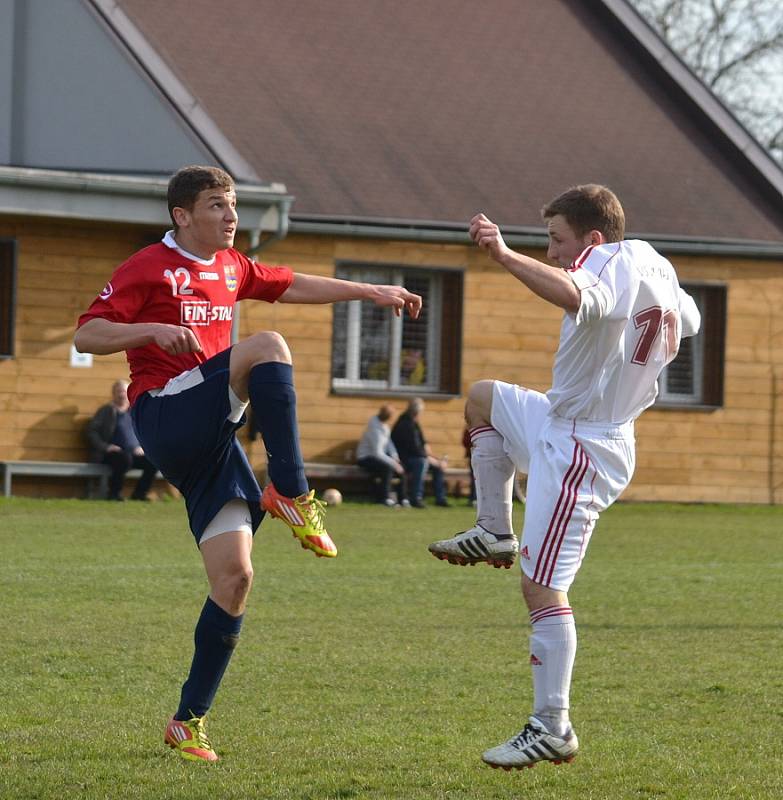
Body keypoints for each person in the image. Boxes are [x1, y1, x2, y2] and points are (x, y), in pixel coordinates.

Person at [73, 164, 421, 763]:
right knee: (268, 346)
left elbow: (295, 284)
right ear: (182, 216)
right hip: (165, 416)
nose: (231, 215)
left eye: (232, 204)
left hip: (213, 440)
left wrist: (371, 291)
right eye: (216, 205)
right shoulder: (148, 265)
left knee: (235, 579)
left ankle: (188, 721)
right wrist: (150, 330)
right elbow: (87, 335)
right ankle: (291, 490)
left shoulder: (233, 267)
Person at [428, 185, 700, 770]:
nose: (550, 252)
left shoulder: (601, 266)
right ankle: (493, 529)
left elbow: (581, 298)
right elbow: (691, 318)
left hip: (584, 444)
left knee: (543, 590)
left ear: (593, 239)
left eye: (555, 240)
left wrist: (503, 254)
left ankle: (552, 727)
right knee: (481, 400)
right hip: (562, 418)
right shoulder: (653, 259)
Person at [85, 379, 158, 501]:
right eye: (119, 391)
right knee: (124, 459)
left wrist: (141, 447)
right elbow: (91, 432)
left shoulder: (135, 411)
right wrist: (106, 447)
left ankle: (139, 494)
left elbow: (145, 432)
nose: (122, 394)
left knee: (153, 461)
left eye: (124, 391)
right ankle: (114, 494)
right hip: (110, 454)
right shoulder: (106, 411)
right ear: (113, 393)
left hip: (134, 453)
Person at [391, 398, 450, 508]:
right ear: (417, 412)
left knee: (437, 466)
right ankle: (416, 497)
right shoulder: (405, 424)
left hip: (416, 456)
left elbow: (423, 443)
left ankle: (440, 498)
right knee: (422, 463)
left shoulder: (414, 423)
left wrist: (436, 459)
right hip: (404, 459)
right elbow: (415, 449)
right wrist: (432, 460)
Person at [356, 404, 409, 507]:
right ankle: (385, 498)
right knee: (387, 469)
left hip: (378, 456)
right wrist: (394, 464)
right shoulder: (374, 429)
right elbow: (378, 453)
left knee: (402, 467)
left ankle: (403, 498)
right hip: (365, 457)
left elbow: (389, 442)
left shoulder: (384, 426)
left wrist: (395, 456)